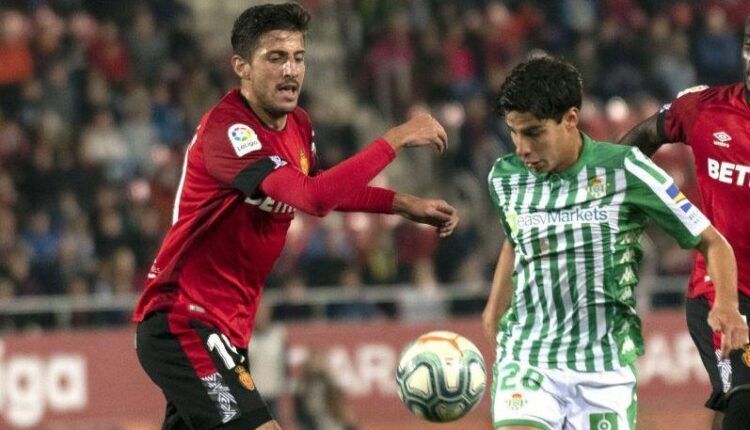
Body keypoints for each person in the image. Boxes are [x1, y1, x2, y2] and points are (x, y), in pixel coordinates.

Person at [132, 4, 459, 430]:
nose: (291, 71)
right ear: (242, 67)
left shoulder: (298, 125)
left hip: (227, 329)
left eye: (298, 58)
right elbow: (313, 199)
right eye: (275, 58)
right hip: (184, 319)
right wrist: (394, 139)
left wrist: (401, 203)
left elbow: (320, 184)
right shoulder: (230, 133)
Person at [482, 56, 748, 430]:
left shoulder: (626, 170)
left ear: (571, 119)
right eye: (514, 132)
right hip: (529, 357)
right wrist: (494, 311)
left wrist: (726, 305)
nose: (521, 147)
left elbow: (713, 242)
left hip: (603, 370)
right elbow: (517, 240)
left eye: (534, 132)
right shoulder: (504, 178)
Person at [617, 17, 750, 430]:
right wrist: (605, 199)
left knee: (734, 406)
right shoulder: (705, 108)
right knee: (744, 402)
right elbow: (638, 143)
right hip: (725, 292)